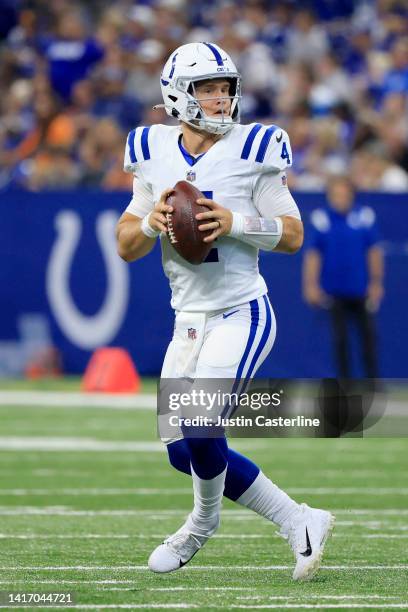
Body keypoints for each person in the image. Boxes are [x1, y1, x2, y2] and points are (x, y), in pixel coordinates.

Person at [116, 42, 334, 580]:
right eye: (208, 88)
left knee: (201, 424)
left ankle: (200, 525)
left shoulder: (256, 145)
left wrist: (235, 221)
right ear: (177, 95)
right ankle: (298, 519)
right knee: (181, 451)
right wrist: (153, 221)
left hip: (241, 311)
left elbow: (293, 235)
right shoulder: (149, 148)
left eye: (225, 87)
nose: (220, 98)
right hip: (187, 321)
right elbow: (125, 243)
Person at [303, 174, 384, 377]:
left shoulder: (364, 216)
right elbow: (313, 255)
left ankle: (372, 383)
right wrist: (311, 285)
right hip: (333, 290)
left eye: (343, 193)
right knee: (340, 341)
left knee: (368, 339)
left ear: (351, 195)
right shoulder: (322, 219)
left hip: (360, 289)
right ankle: (345, 385)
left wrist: (376, 283)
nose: (339, 198)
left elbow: (374, 251)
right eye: (335, 194)